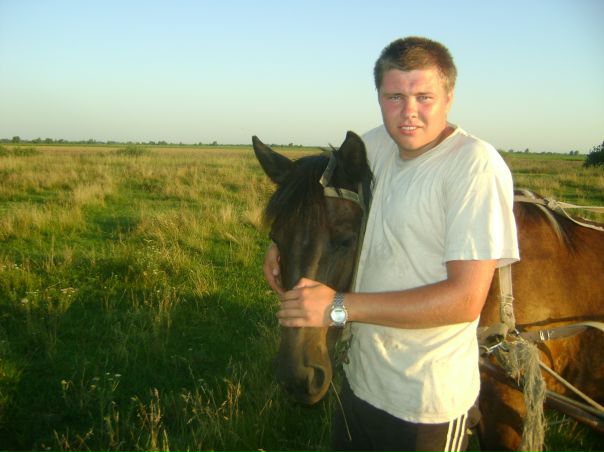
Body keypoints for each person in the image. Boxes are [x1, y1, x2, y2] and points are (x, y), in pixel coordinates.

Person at [263, 36, 519, 452]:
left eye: (424, 97)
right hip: (361, 383)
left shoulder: (474, 165)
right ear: (379, 97)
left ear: (449, 97)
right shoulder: (379, 146)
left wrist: (338, 306)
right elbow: (315, 191)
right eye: (394, 96)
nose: (408, 112)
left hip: (425, 405)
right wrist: (280, 244)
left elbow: (465, 300)